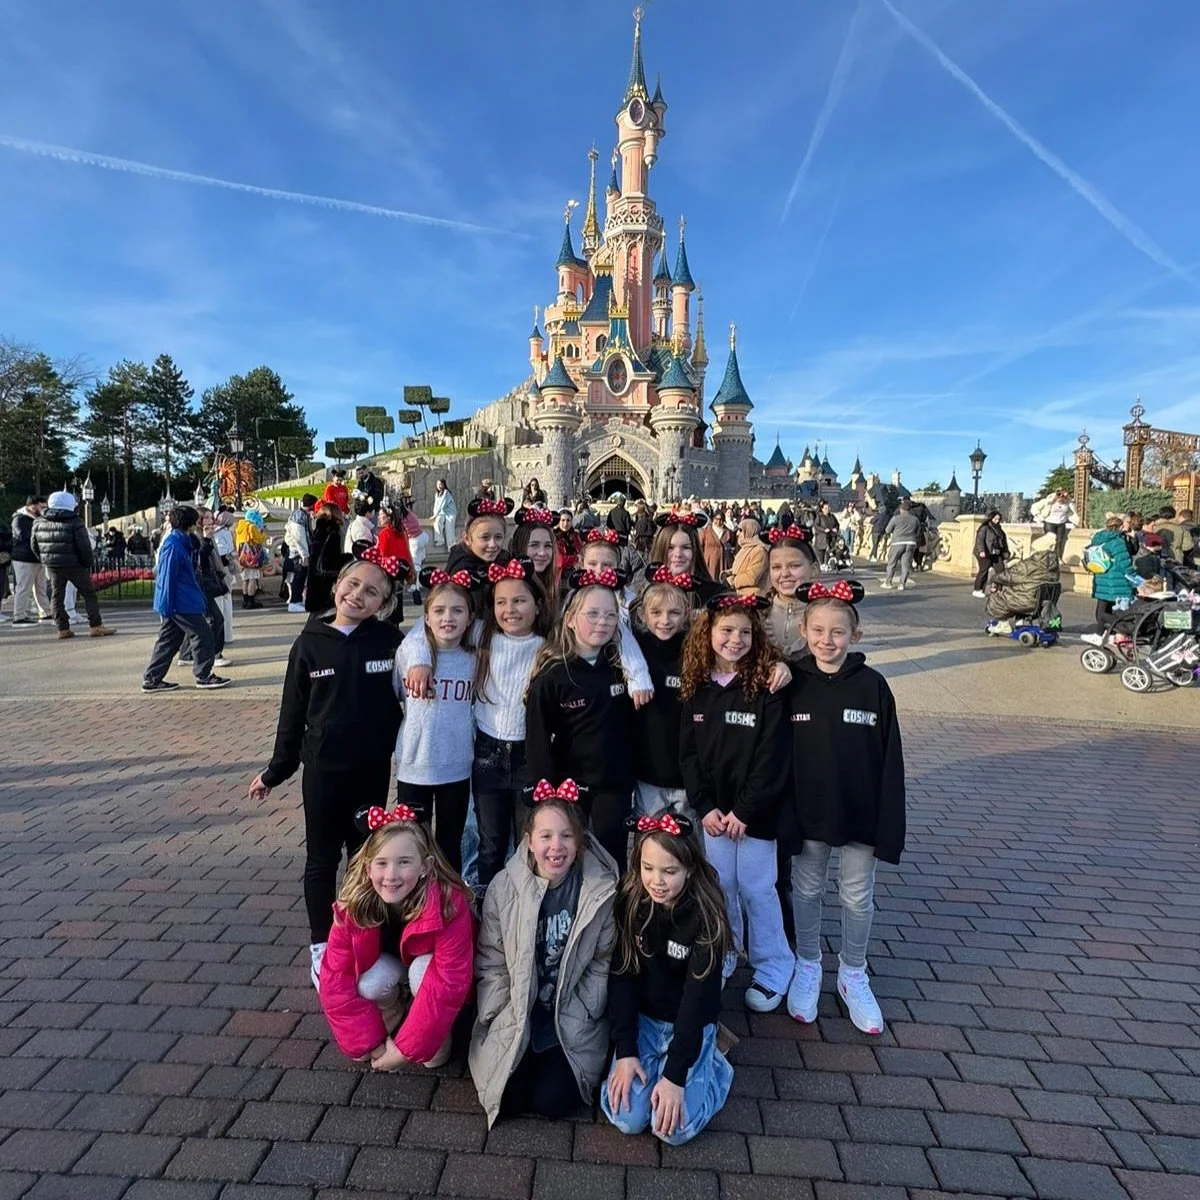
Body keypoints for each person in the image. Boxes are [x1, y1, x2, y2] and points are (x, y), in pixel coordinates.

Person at [249, 549, 405, 986]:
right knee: (321, 860)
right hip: (323, 772)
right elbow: (292, 715)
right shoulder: (309, 643)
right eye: (352, 584)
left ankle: (362, 934)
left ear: (383, 604)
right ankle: (321, 943)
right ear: (337, 586)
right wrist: (275, 771)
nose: (358, 595)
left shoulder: (390, 642)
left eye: (371, 592)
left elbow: (415, 686)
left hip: (371, 769)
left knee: (365, 857)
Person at [783, 580, 905, 1035]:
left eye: (838, 632)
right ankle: (808, 963)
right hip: (807, 811)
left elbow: (891, 759)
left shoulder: (874, 687)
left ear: (856, 635)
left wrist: (889, 826)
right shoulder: (791, 683)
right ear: (804, 630)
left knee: (856, 894)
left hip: (859, 812)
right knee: (806, 889)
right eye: (818, 630)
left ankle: (853, 972)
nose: (827, 640)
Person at [470, 792, 618, 1125]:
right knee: (508, 1097)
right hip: (518, 1009)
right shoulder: (503, 888)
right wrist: (499, 1007)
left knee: (551, 1101)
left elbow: (603, 960)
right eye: (546, 836)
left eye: (566, 836)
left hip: (572, 1012)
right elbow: (491, 958)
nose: (556, 847)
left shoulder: (599, 892)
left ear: (580, 842)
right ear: (528, 841)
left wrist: (586, 1006)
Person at [680, 594, 792, 1012]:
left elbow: (772, 757)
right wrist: (704, 806)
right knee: (721, 885)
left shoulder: (766, 685)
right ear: (708, 633)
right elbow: (688, 755)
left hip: (754, 814)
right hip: (715, 815)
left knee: (758, 888)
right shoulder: (698, 686)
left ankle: (774, 965)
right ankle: (727, 950)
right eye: (726, 630)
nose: (736, 639)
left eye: (745, 632)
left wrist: (746, 810)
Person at [601, 814, 733, 1144]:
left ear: (690, 868)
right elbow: (622, 976)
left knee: (672, 1130)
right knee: (627, 1118)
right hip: (646, 1020)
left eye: (669, 871)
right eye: (648, 868)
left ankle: (716, 1069)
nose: (656, 881)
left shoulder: (706, 915)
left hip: (690, 1021)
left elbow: (696, 997)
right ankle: (655, 1070)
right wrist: (625, 1050)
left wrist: (675, 1075)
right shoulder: (631, 901)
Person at [320, 807, 474, 1071]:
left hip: (431, 974)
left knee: (432, 1058)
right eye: (382, 863)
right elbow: (334, 977)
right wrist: (367, 1041)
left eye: (404, 862)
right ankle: (395, 1016)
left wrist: (405, 1051)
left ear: (425, 866)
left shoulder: (449, 902)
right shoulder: (353, 906)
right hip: (391, 968)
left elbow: (449, 980)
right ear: (368, 868)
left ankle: (433, 1035)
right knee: (369, 983)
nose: (391, 875)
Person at [526, 572, 636, 866]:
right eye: (593, 614)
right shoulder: (552, 676)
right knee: (569, 857)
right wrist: (545, 791)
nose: (603, 621)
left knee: (611, 857)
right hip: (570, 784)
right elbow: (537, 739)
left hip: (614, 784)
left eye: (610, 615)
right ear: (571, 619)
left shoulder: (623, 668)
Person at [394, 569, 477, 872]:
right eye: (439, 611)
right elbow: (395, 694)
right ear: (426, 618)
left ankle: (447, 896)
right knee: (411, 841)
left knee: (449, 843)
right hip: (414, 765)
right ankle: (414, 897)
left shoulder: (474, 659)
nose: (448, 618)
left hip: (456, 766)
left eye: (457, 611)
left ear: (470, 618)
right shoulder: (410, 654)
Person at [141, 506, 229, 691]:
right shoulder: (174, 544)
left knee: (169, 640)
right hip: (180, 601)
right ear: (190, 524)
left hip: (179, 600)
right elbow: (167, 576)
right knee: (202, 634)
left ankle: (152, 679)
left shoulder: (181, 542)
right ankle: (203, 675)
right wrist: (167, 603)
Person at [31, 491, 115, 640]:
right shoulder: (75, 521)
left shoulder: (39, 522)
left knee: (57, 595)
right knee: (89, 594)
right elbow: (84, 546)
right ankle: (95, 625)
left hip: (53, 564)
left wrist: (45, 559)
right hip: (74, 563)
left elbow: (34, 545)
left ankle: (62, 628)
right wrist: (87, 563)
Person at [762, 525, 820, 657]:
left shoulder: (827, 613)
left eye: (794, 566)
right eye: (776, 567)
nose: (784, 574)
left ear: (813, 569)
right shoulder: (758, 615)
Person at [646, 510, 725, 605]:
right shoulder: (646, 595)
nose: (678, 554)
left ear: (695, 551)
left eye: (686, 547)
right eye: (670, 547)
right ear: (660, 548)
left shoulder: (715, 596)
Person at [1081, 516, 1135, 643]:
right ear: (1120, 527)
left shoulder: (1098, 538)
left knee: (1102, 606)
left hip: (1101, 577)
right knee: (1116, 609)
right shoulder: (1117, 542)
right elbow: (1124, 563)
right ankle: (1108, 634)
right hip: (1116, 579)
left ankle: (1100, 633)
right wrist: (1134, 578)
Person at [10, 495, 50, 624]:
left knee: (41, 587)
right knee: (23, 587)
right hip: (24, 558)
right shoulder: (19, 518)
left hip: (38, 558)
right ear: (32, 506)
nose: (43, 509)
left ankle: (45, 611)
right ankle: (19, 615)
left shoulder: (40, 519)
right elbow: (22, 535)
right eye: (41, 506)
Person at [374, 500, 415, 624]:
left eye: (381, 515)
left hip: (388, 572)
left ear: (388, 517)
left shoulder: (384, 533)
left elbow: (382, 554)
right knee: (398, 601)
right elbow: (407, 551)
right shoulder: (401, 531)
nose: (379, 518)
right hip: (402, 570)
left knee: (389, 605)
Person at [305, 502, 346, 615]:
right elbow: (332, 558)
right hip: (326, 579)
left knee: (316, 614)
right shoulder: (333, 533)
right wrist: (346, 559)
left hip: (315, 577)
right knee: (326, 614)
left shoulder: (318, 530)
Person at [510, 505, 559, 599]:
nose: (542, 553)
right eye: (534, 545)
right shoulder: (512, 588)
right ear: (519, 547)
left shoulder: (550, 584)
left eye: (548, 546)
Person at [285, 494, 317, 614]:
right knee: (298, 578)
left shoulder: (300, 514)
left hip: (298, 551)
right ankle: (294, 601)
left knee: (300, 577)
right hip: (298, 553)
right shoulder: (299, 517)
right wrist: (305, 555)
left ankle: (296, 600)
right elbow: (299, 538)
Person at [879, 501, 920, 591]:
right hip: (911, 543)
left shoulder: (895, 519)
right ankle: (902, 584)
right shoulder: (915, 519)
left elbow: (887, 530)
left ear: (901, 510)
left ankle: (888, 583)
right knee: (906, 565)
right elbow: (918, 531)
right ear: (909, 510)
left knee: (892, 563)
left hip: (897, 543)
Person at [1030, 488, 1077, 560]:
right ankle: (1048, 558)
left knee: (1060, 541)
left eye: (1063, 496)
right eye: (1059, 495)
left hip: (1061, 523)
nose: (1061, 497)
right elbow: (1034, 508)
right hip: (1050, 523)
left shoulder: (1068, 503)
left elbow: (1073, 512)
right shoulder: (1049, 501)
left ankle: (1058, 558)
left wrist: (1069, 499)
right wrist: (1040, 517)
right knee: (1050, 541)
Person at [235, 510, 268, 609]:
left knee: (245, 579)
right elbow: (259, 539)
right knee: (252, 578)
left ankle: (245, 600)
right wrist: (264, 533)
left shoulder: (240, 526)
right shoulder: (251, 527)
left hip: (243, 557)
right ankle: (251, 601)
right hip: (252, 558)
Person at [971, 510, 1009, 598]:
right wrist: (981, 551)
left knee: (1000, 570)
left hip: (996, 553)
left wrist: (1005, 554)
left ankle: (997, 588)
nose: (997, 521)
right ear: (991, 518)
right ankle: (977, 589)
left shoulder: (1000, 530)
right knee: (984, 570)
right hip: (985, 553)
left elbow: (1003, 543)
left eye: (998, 519)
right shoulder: (985, 528)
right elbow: (980, 540)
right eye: (995, 519)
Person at [554, 509, 583, 574]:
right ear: (558, 522)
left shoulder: (575, 535)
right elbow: (559, 560)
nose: (565, 523)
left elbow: (581, 552)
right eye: (563, 520)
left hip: (575, 571)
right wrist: (576, 558)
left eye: (568, 520)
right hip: (559, 573)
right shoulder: (554, 537)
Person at [432, 479, 457, 548]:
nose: (439, 486)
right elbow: (436, 505)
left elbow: (442, 505)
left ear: (444, 485)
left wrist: (435, 515)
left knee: (449, 529)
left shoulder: (446, 493)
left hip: (450, 513)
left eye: (441, 484)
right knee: (437, 522)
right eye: (438, 484)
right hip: (442, 513)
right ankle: (440, 540)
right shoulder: (437, 494)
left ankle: (451, 547)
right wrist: (434, 514)